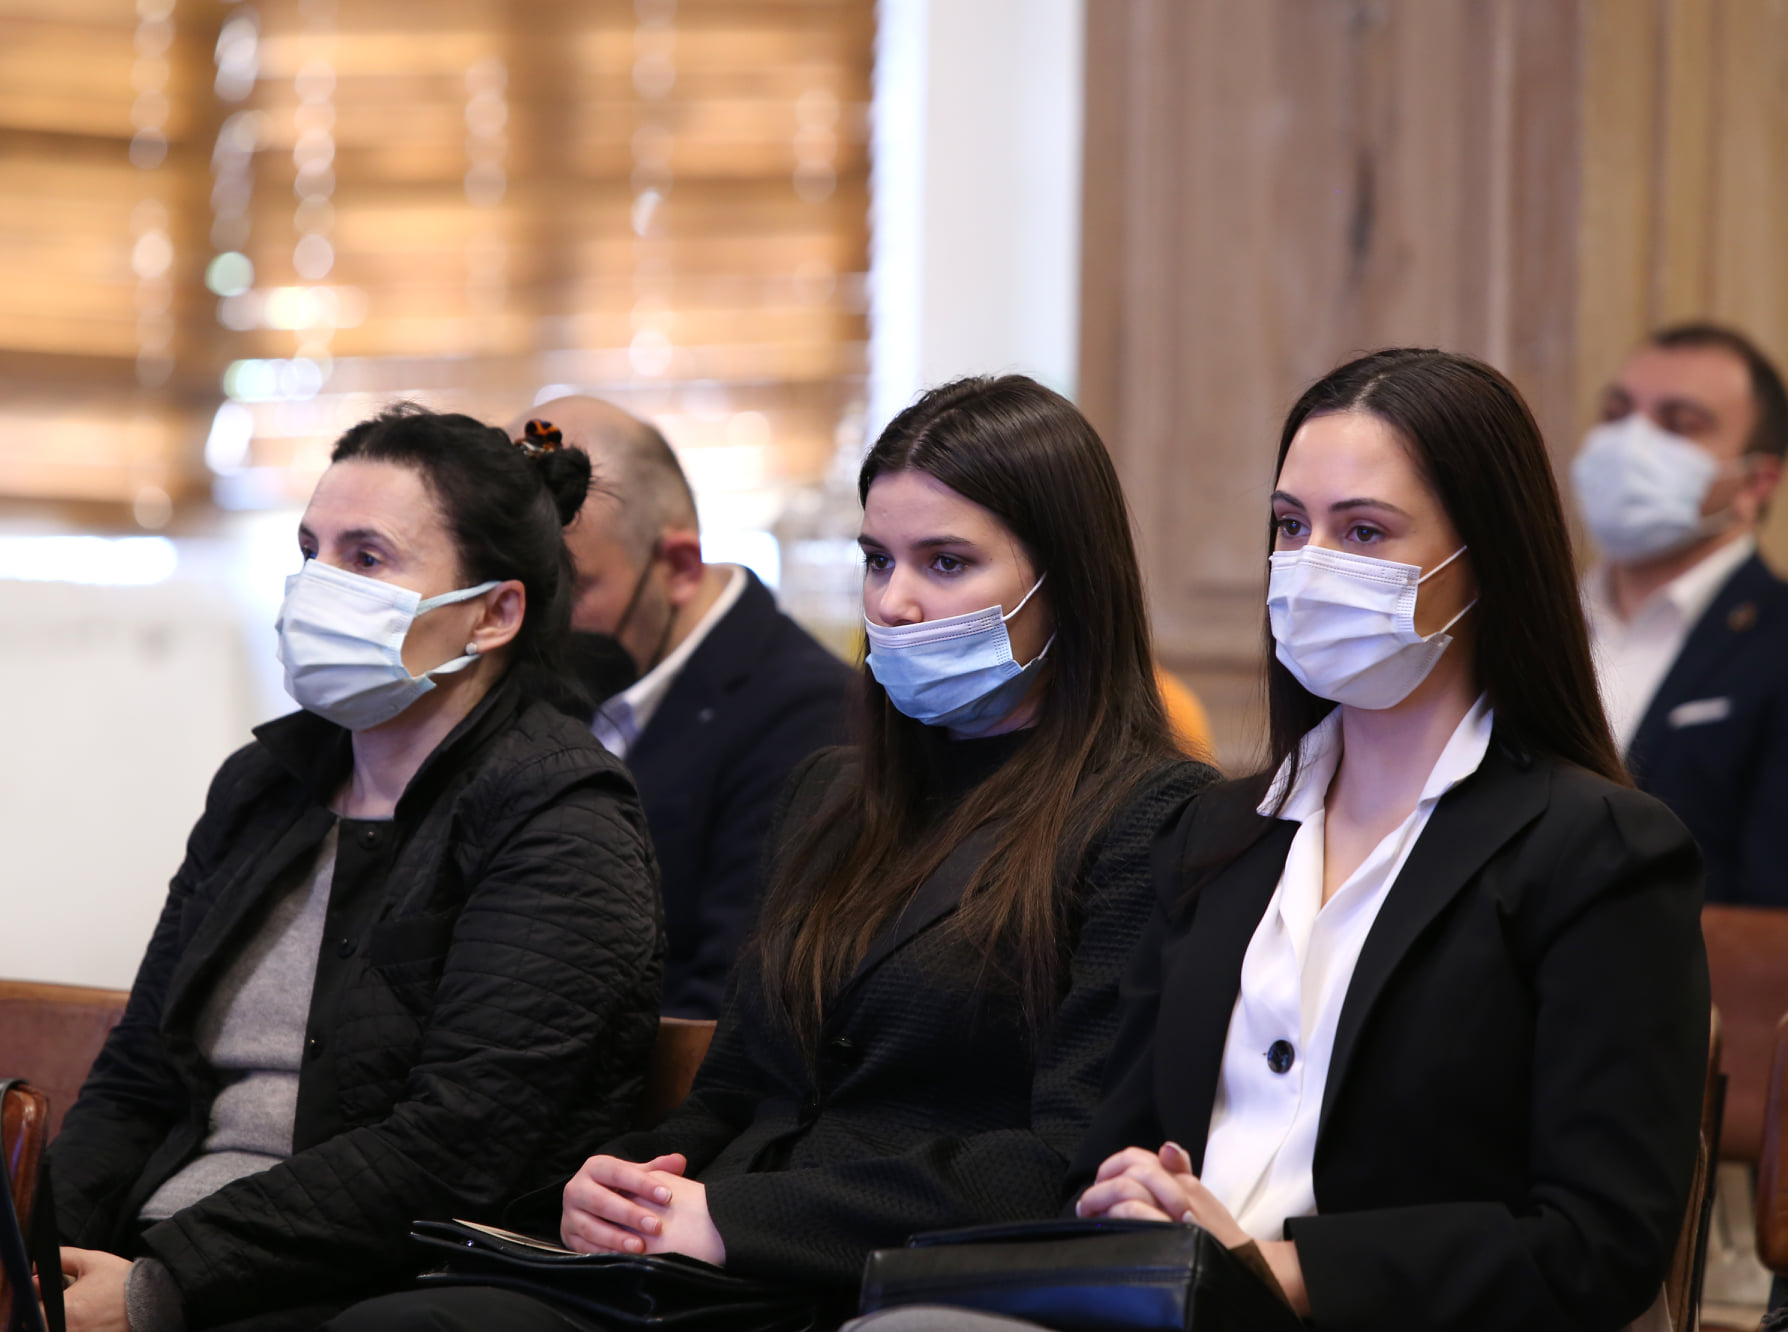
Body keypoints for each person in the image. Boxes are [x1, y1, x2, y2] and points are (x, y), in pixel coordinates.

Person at [326, 375, 1219, 1332]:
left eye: (947, 563)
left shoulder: (1155, 815)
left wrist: (731, 1220)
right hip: (716, 1270)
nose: (896, 602)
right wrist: (622, 1182)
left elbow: (1065, 1158)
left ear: (1067, 583)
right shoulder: (829, 793)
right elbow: (734, 1095)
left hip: (906, 1284)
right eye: (877, 560)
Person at [857, 351, 1710, 1332]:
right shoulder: (1215, 833)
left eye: (1363, 532)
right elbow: (1107, 1150)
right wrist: (1133, 1197)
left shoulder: (1600, 850)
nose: (1308, 566)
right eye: (1291, 526)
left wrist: (1276, 1270)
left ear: (1486, 559)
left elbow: (1600, 1243)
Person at [47, 406, 665, 1332]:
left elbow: (456, 1146)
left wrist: (155, 1288)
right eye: (311, 551)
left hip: (380, 1280)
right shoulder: (264, 785)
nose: (317, 586)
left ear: (494, 613)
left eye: (367, 558)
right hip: (160, 1247)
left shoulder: (561, 817)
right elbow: (141, 1076)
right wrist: (34, 1255)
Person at [516, 396, 852, 1018]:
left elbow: (728, 1012)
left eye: (571, 588)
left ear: (677, 567)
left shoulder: (811, 716)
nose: (536, 623)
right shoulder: (566, 678)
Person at [1573, 322, 1788, 906]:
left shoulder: (1775, 641)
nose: (1632, 443)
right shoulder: (1525, 622)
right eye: (1617, 414)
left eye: (1679, 425)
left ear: (1757, 481)